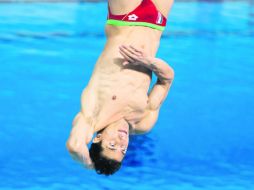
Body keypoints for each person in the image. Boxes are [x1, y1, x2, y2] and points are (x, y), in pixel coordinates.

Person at [66, 0, 174, 175]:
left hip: (125, 17)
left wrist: (91, 165)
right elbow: (167, 79)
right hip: (157, 22)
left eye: (112, 145)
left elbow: (74, 146)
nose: (122, 142)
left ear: (98, 138)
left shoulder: (92, 116)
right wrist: (149, 62)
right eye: (122, 151)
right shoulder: (142, 122)